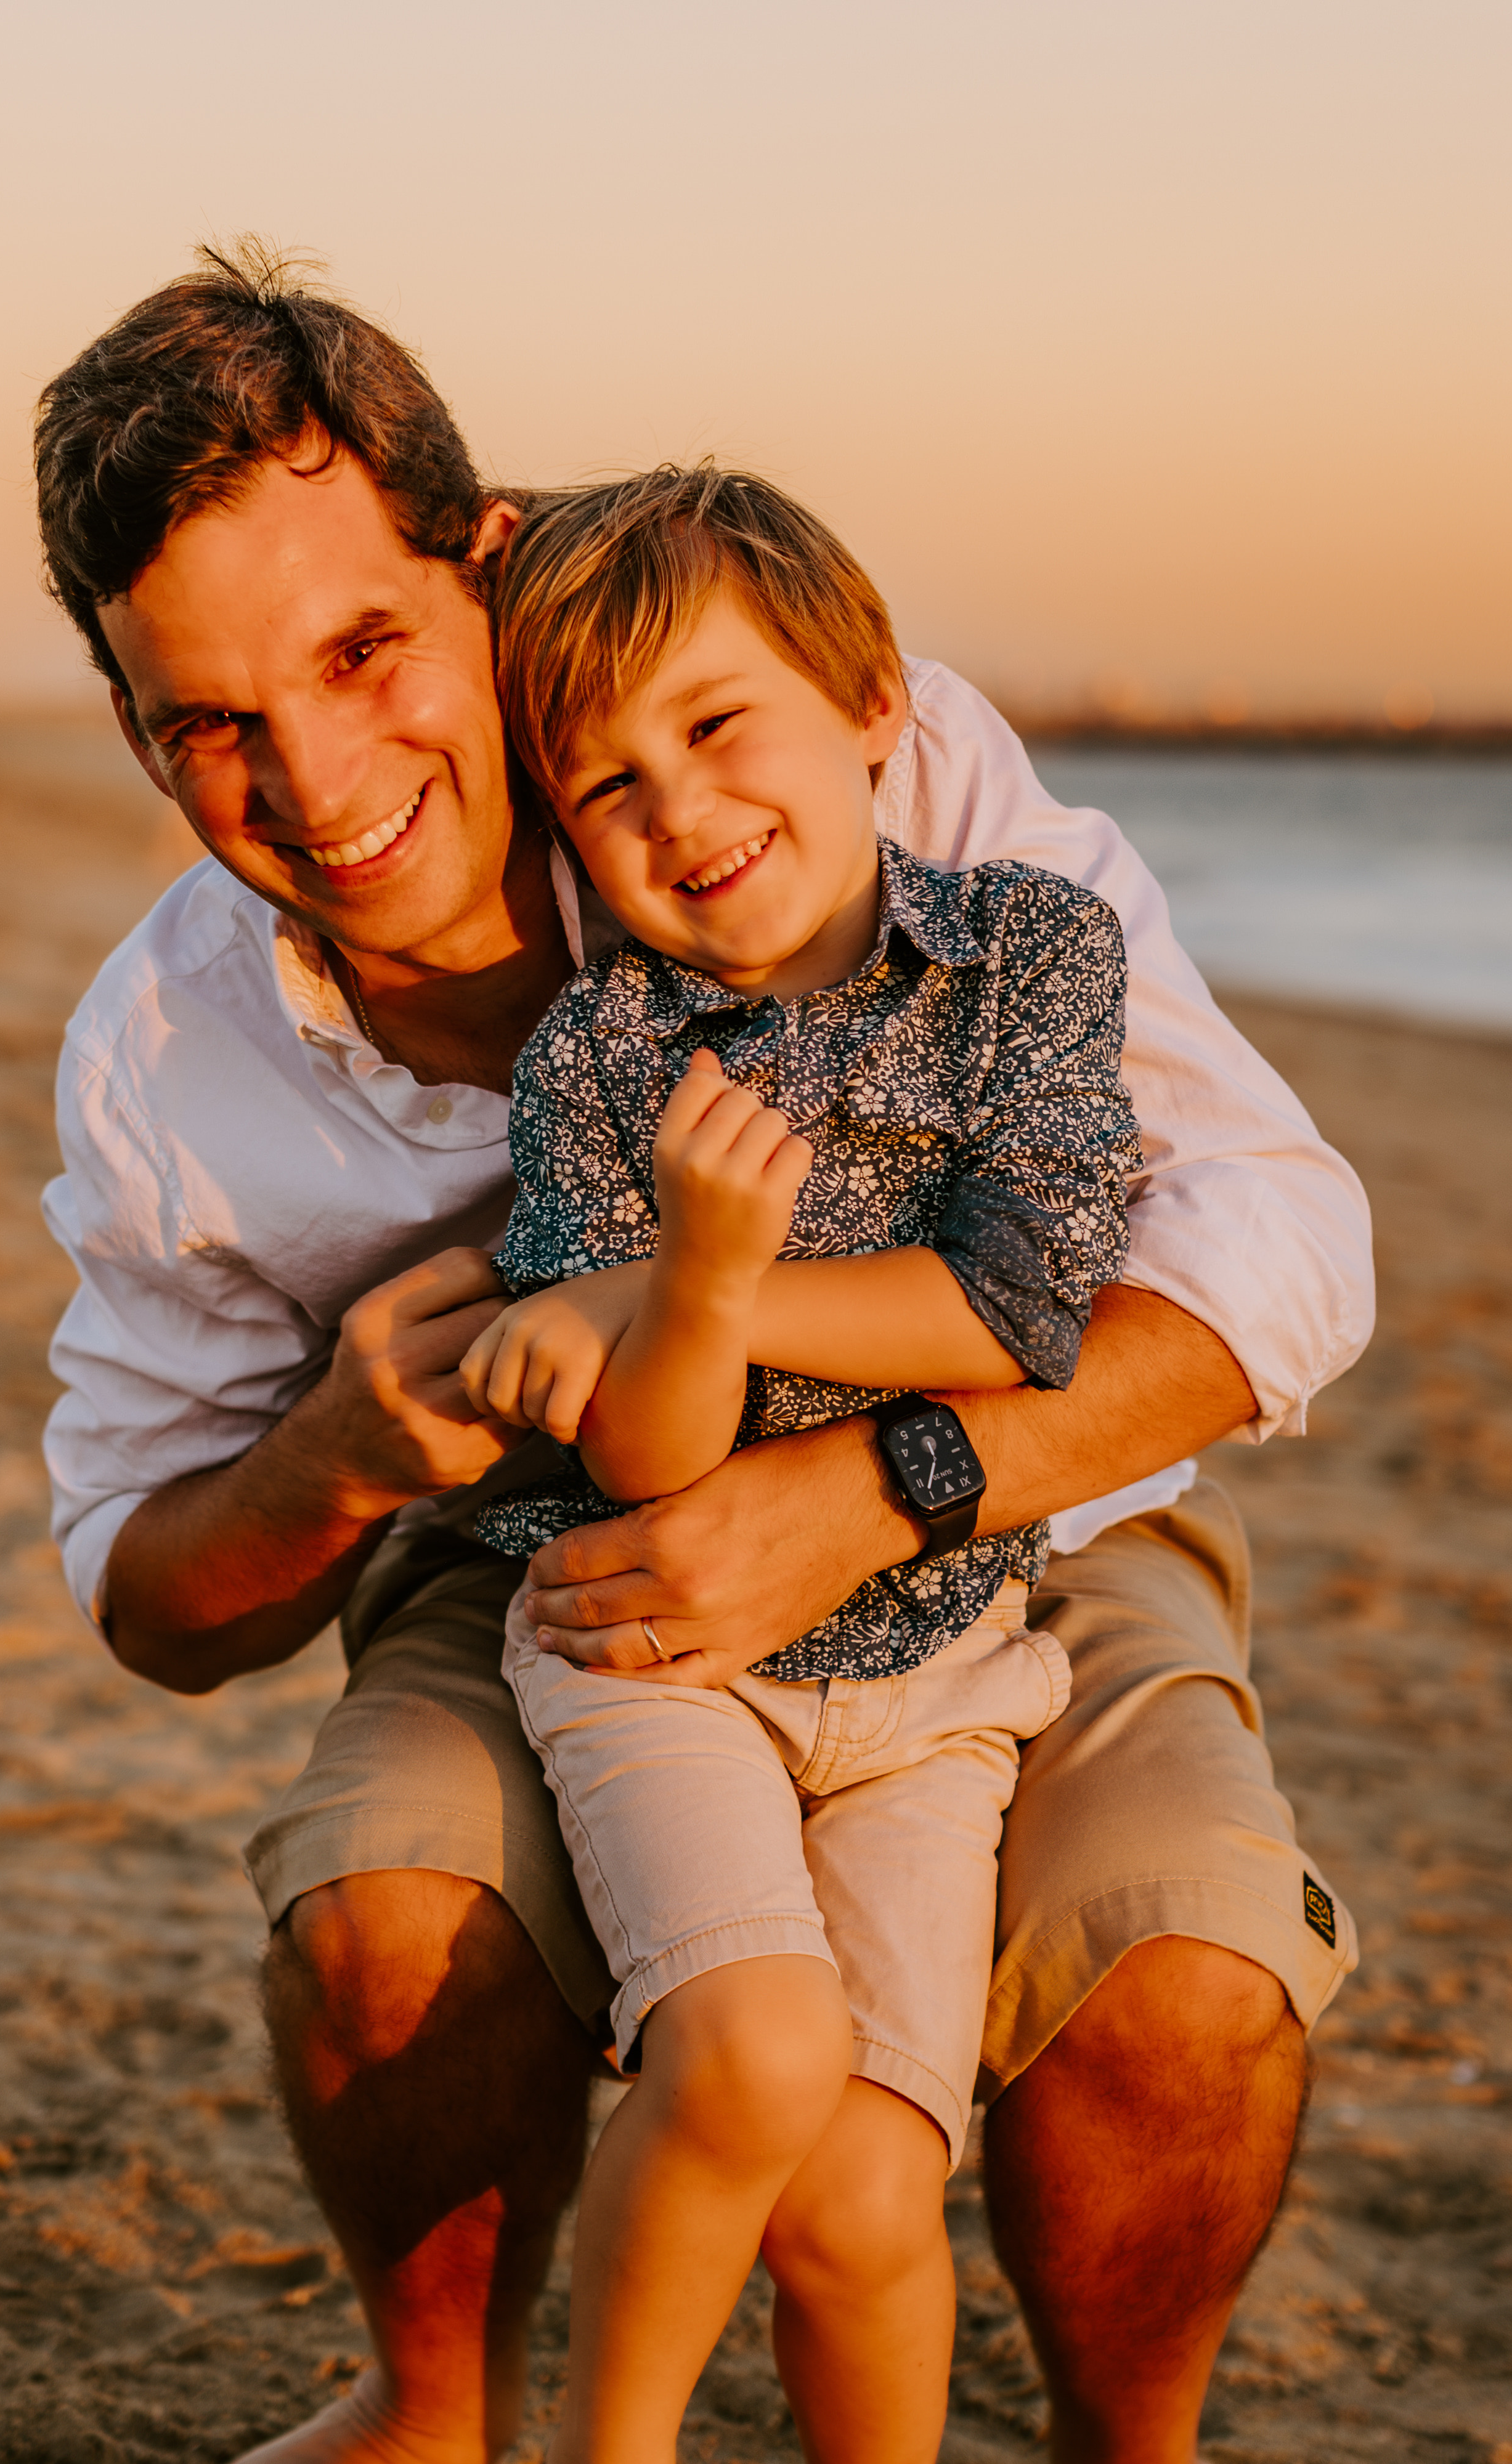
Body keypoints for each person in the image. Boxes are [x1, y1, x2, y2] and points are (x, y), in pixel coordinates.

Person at [33, 243, 1373, 2464]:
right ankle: (432, 2414)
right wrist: (346, 1458)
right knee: (387, 1906)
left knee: (1190, 1970)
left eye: (368, 651)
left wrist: (871, 1490)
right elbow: (150, 1597)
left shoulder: (791, 754)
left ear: (482, 561)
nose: (325, 773)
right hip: (547, 1575)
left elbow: (1284, 1235)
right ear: (133, 730)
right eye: (215, 722)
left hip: (1016, 1511)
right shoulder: (168, 1052)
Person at [458, 465, 1140, 2462]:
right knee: (753, 2054)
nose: (680, 810)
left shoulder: (1030, 955)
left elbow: (1024, 1309)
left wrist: (718, 1288)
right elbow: (641, 1466)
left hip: (934, 1681)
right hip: (661, 1654)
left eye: (717, 724)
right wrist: (685, 1297)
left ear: (870, 710)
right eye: (607, 786)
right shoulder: (600, 1054)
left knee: (858, 2186)